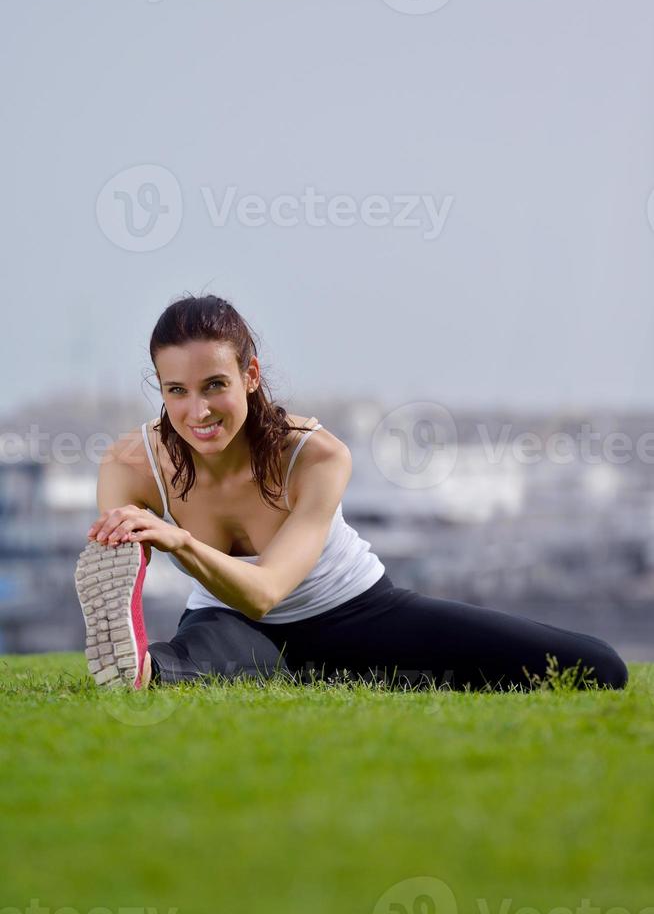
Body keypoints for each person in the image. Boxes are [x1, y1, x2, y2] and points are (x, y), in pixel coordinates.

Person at [75, 295, 629, 693]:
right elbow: (217, 600)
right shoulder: (130, 467)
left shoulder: (317, 455)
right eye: (177, 391)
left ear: (249, 375)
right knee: (193, 659)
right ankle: (146, 670)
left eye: (214, 385)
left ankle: (361, 670)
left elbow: (266, 590)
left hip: (355, 611)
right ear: (160, 388)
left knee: (598, 668)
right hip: (230, 622)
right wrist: (126, 545)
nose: (197, 411)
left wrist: (179, 542)